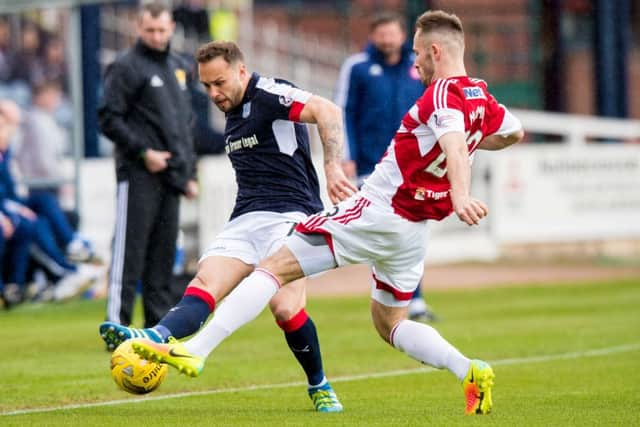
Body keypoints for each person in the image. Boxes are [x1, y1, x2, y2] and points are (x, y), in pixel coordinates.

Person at [131, 10, 525, 416]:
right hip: (413, 231)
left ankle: (196, 349)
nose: (415, 63)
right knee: (389, 323)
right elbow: (513, 132)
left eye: (418, 54)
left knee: (272, 266)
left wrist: (461, 193)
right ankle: (468, 369)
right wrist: (473, 145)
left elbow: (454, 144)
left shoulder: (440, 95)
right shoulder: (480, 95)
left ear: (435, 51)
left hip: (379, 210)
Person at [99, 39, 356, 412]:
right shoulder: (232, 112)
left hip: (292, 214)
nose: (213, 93)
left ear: (240, 70)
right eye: (206, 86)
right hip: (246, 217)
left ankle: (319, 384)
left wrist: (332, 165)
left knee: (285, 308)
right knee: (204, 283)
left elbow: (328, 110)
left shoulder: (269, 93)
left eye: (219, 83)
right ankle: (156, 337)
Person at [98, 2, 199, 328]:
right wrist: (144, 153)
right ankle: (117, 324)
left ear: (171, 28)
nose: (156, 36)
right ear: (139, 29)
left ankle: (157, 327)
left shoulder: (178, 66)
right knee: (130, 253)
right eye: (150, 30)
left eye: (162, 29)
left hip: (171, 175)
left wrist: (188, 173)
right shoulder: (125, 67)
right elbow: (108, 118)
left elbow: (186, 124)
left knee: (163, 258)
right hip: (139, 172)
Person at [335, 11, 434, 322]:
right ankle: (391, 298)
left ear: (402, 36)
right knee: (381, 231)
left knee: (411, 230)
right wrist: (346, 155)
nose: (388, 39)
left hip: (412, 165)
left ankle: (414, 299)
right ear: (373, 36)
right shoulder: (358, 67)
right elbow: (343, 111)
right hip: (372, 165)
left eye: (393, 33)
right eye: (382, 33)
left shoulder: (417, 67)